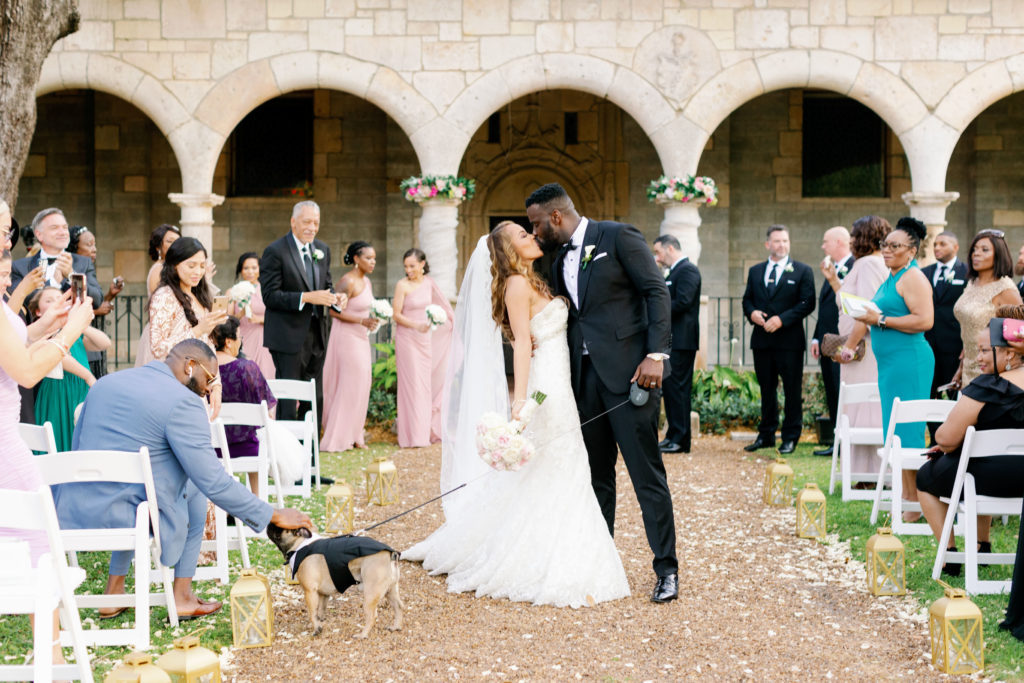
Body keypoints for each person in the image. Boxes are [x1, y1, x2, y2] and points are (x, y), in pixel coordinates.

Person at [403, 223, 630, 608]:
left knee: (559, 467)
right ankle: (552, 556)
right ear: (510, 251)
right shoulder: (516, 285)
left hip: (561, 379)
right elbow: (522, 344)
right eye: (523, 236)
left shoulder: (534, 278)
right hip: (547, 388)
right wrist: (521, 401)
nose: (531, 237)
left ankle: (563, 544)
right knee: (559, 465)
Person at [53, 339, 312, 619]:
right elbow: (213, 481)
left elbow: (77, 446)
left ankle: (113, 591)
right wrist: (272, 513)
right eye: (209, 379)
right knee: (195, 487)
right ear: (190, 365)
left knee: (136, 489)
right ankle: (182, 595)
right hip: (132, 514)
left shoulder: (104, 384)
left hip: (74, 508)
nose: (208, 389)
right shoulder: (184, 403)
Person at [527, 183, 678, 603]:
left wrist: (656, 354)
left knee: (646, 475)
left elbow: (656, 291)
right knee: (596, 477)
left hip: (632, 376)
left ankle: (667, 569)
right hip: (584, 381)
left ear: (556, 217)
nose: (535, 232)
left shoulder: (618, 236)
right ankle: (603, 564)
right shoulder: (555, 258)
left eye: (537, 224)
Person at [0, 247, 96, 670]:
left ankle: (50, 653)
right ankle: (51, 658)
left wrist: (48, 324)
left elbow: (12, 346)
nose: (8, 283)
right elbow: (24, 372)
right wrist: (70, 331)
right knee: (38, 547)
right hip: (5, 446)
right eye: (3, 276)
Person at [917, 319, 1024, 578]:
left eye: (986, 350)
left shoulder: (987, 388)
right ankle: (982, 545)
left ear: (1009, 353)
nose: (977, 358)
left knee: (924, 476)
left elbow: (945, 438)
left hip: (984, 478)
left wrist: (949, 443)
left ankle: (950, 556)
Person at [854, 217, 934, 522]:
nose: (886, 250)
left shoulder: (912, 278)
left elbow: (925, 321)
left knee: (908, 430)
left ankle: (915, 500)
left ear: (911, 251)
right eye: (884, 245)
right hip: (891, 365)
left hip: (909, 362)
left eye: (894, 246)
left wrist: (882, 321)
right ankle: (906, 493)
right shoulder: (893, 275)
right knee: (895, 429)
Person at [260, 200, 344, 422]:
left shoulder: (323, 250)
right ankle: (287, 455)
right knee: (288, 399)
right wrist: (306, 298)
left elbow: (327, 286)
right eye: (307, 221)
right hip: (287, 338)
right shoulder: (275, 251)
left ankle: (311, 455)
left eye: (316, 222)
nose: (312, 227)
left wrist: (336, 299)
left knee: (314, 398)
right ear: (293, 222)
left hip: (318, 334)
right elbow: (269, 296)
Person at [741, 225, 816, 454]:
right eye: (777, 241)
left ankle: (791, 436)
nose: (782, 245)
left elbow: (808, 303)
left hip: (790, 342)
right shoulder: (755, 271)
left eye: (785, 240)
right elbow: (747, 300)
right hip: (762, 341)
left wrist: (782, 320)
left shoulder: (803, 271)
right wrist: (751, 313)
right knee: (766, 389)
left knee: (792, 390)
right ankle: (766, 435)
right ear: (768, 245)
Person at [825, 215, 889, 482]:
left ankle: (871, 475)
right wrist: (833, 281)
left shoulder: (868, 264)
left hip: (864, 351)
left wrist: (848, 348)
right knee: (860, 407)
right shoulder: (866, 264)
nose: (850, 240)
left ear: (864, 237)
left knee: (865, 408)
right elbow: (852, 301)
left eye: (853, 234)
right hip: (860, 346)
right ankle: (865, 473)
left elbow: (867, 311)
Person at [28, 287, 110, 451]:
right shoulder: (46, 331)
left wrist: (80, 325)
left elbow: (104, 343)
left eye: (59, 299)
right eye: (49, 300)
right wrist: (88, 376)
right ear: (38, 311)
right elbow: (60, 356)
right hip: (59, 391)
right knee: (58, 437)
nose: (55, 303)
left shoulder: (73, 331)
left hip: (79, 389)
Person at [392, 247, 453, 448]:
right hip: (407, 338)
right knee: (412, 386)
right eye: (406, 266)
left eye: (412, 266)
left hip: (425, 340)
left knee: (424, 386)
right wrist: (415, 324)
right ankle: (410, 436)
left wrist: (450, 323)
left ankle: (423, 432)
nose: (408, 270)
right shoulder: (402, 285)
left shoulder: (429, 284)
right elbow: (396, 315)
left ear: (422, 264)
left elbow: (442, 307)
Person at [321, 241, 379, 452]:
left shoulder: (368, 282)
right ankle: (338, 437)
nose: (372, 262)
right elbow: (333, 311)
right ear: (356, 259)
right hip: (347, 339)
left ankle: (355, 434)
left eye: (374, 258)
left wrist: (372, 319)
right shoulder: (348, 282)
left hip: (361, 337)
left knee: (363, 384)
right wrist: (361, 320)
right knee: (350, 385)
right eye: (368, 258)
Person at [212, 317, 277, 493]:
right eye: (240, 337)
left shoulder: (205, 369)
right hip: (246, 447)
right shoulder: (247, 368)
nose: (241, 342)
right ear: (228, 342)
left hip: (213, 448)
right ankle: (256, 499)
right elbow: (266, 409)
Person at [952, 229, 1022, 389]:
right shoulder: (972, 283)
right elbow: (969, 327)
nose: (976, 254)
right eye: (974, 249)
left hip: (991, 370)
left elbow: (1020, 335)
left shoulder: (1005, 289)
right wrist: (961, 368)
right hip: (968, 364)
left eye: (984, 250)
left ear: (998, 254)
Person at [652, 234, 700, 454]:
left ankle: (680, 439)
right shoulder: (673, 271)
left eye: (658, 252)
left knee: (679, 390)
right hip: (673, 341)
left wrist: (656, 310)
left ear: (670, 249)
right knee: (671, 389)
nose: (657, 257)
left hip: (682, 341)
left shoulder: (688, 270)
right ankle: (673, 435)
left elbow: (683, 302)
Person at [810, 226, 854, 457]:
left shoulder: (854, 266)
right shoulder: (832, 268)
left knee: (842, 389)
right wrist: (817, 336)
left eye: (826, 241)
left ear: (839, 242)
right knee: (832, 390)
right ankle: (836, 441)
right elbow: (826, 308)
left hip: (844, 339)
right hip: (828, 340)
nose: (823, 246)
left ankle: (845, 442)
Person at [147, 237, 227, 363]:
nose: (198, 272)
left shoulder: (198, 294)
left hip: (204, 374)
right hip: (177, 376)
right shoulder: (165, 296)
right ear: (174, 266)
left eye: (202, 266)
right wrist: (199, 329)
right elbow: (158, 348)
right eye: (191, 266)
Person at [9, 208, 102, 303]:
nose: (62, 233)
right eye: (54, 228)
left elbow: (97, 301)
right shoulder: (19, 267)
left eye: (65, 227)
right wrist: (53, 282)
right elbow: (15, 300)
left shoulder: (84, 263)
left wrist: (72, 276)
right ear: (39, 234)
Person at [70, 224, 124, 378]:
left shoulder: (88, 269)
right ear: (75, 248)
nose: (94, 249)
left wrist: (109, 296)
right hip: (79, 339)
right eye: (88, 244)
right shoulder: (72, 270)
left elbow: (93, 301)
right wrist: (96, 311)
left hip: (94, 336)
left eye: (94, 244)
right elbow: (71, 306)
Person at [134, 223, 181, 367]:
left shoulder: (174, 269)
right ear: (158, 247)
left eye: (177, 241)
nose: (175, 245)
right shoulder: (159, 269)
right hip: (161, 335)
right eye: (169, 241)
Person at [231, 252, 275, 380]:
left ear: (260, 269)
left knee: (266, 374)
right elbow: (228, 320)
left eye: (254, 268)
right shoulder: (233, 292)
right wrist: (241, 313)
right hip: (243, 337)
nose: (250, 271)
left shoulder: (268, 290)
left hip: (265, 339)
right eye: (246, 268)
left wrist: (259, 319)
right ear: (240, 270)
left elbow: (277, 316)